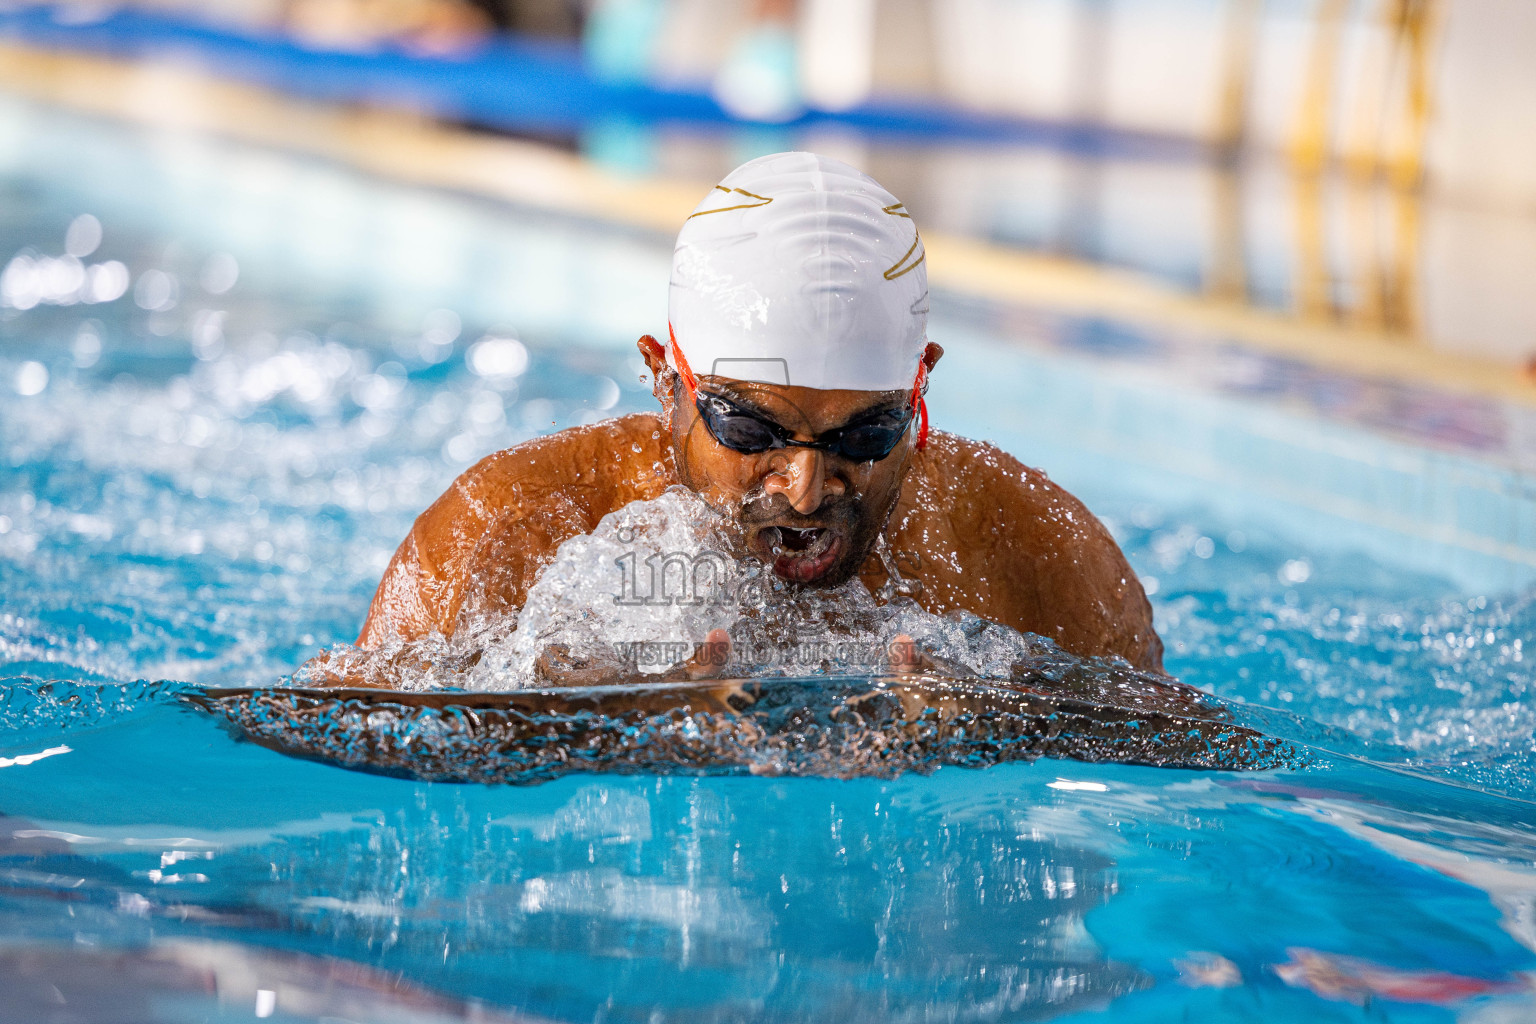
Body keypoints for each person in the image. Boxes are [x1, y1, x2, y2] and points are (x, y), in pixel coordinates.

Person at [338, 152, 1164, 685]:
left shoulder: (1032, 551)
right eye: (752, 432)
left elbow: (1204, 761)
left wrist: (1004, 737)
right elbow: (325, 733)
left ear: (920, 397)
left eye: (862, 438)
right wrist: (599, 732)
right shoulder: (510, 528)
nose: (805, 492)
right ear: (668, 382)